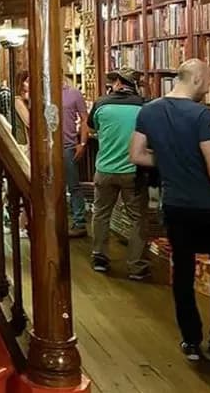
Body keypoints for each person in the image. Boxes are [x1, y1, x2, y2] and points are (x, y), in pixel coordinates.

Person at [130, 58, 210, 365]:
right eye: (209, 80)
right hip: (207, 205)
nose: (209, 86)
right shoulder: (199, 114)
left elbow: (137, 154)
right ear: (196, 79)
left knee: (182, 271)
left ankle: (191, 340)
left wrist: (170, 162)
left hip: (174, 205)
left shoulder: (148, 111)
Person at [88, 67, 150, 279]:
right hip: (133, 171)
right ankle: (136, 266)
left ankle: (100, 258)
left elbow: (93, 128)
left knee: (101, 213)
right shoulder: (144, 106)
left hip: (104, 168)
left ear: (118, 83)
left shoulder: (101, 104)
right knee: (138, 218)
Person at [62, 75, 89, 236]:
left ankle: (79, 222)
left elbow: (85, 119)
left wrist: (83, 143)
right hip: (47, 147)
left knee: (73, 185)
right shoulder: (42, 93)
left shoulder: (74, 93)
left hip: (68, 145)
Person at [13, 69, 30, 147]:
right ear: (21, 83)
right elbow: (29, 121)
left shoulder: (25, 100)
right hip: (24, 144)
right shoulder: (17, 100)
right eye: (28, 81)